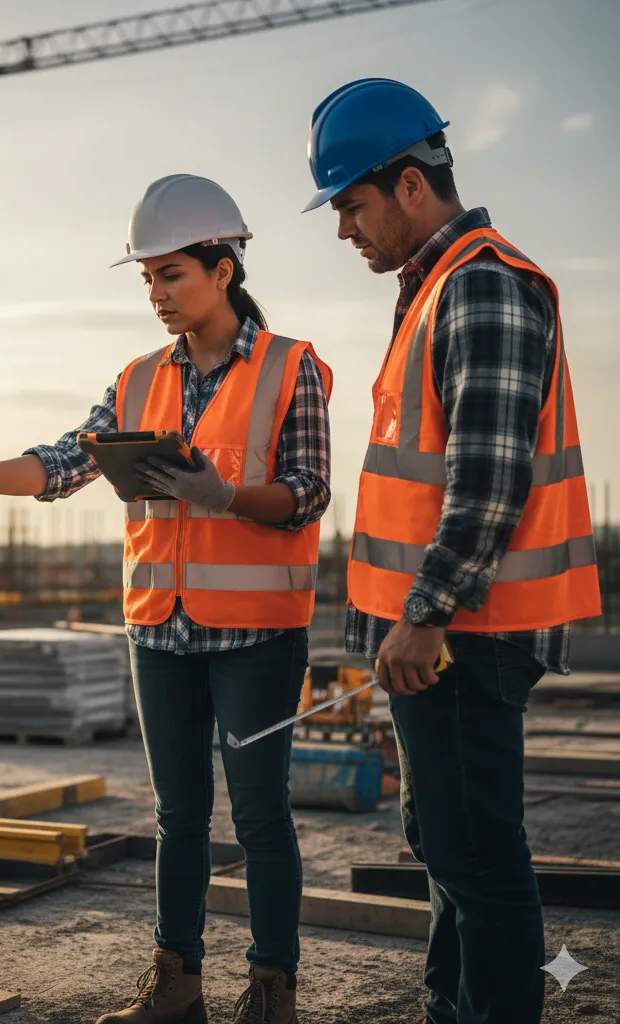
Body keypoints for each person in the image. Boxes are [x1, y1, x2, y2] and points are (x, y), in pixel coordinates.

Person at [0, 173, 332, 1024]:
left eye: (173, 275)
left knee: (264, 818)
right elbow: (65, 461)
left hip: (257, 638)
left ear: (223, 270)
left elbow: (309, 493)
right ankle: (176, 985)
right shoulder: (135, 379)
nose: (158, 294)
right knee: (178, 815)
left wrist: (221, 495)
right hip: (160, 634)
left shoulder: (290, 368)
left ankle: (274, 992)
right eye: (148, 279)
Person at [302, 78, 601, 1024]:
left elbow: (489, 483)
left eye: (351, 204)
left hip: (465, 634)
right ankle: (453, 1005)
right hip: (437, 637)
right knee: (445, 843)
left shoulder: (478, 285)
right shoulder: (434, 288)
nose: (343, 228)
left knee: (477, 856)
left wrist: (424, 615)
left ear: (409, 185)